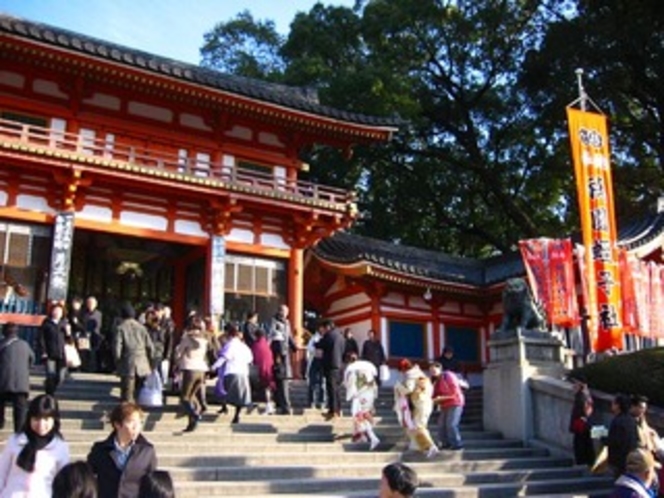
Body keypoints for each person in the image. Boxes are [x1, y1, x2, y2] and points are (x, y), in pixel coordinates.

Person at [0, 394, 70, 497]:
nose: (41, 425)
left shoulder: (60, 447)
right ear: (29, 418)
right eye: (37, 419)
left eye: (46, 419)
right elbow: (2, 472)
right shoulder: (15, 441)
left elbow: (63, 482)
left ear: (54, 420)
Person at [87, 402, 157, 498]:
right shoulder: (100, 450)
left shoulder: (147, 451)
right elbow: (87, 478)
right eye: (131, 422)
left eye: (139, 422)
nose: (136, 427)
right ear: (117, 424)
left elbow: (152, 485)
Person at [394, 359, 438, 457]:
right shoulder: (421, 374)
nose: (402, 373)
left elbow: (408, 389)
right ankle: (416, 446)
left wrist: (398, 386)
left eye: (401, 370)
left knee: (418, 426)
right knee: (416, 426)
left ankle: (431, 446)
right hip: (425, 402)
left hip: (420, 403)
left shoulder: (411, 376)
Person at [113, 302, 155, 403]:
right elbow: (150, 347)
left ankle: (127, 412)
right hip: (142, 362)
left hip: (128, 362)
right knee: (138, 390)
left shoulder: (121, 328)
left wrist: (117, 361)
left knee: (127, 393)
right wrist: (150, 362)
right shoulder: (142, 328)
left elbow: (117, 347)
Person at [174, 315, 210, 432]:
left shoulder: (187, 339)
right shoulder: (204, 340)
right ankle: (191, 424)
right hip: (202, 370)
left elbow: (178, 353)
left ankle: (194, 415)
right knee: (192, 397)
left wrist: (177, 362)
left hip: (190, 369)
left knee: (185, 398)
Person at [212, 325, 253, 424]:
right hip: (243, 372)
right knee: (240, 397)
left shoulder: (230, 345)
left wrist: (214, 366)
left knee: (223, 391)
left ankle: (224, 406)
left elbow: (224, 357)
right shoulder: (244, 346)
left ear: (229, 335)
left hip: (231, 371)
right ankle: (237, 415)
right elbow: (250, 359)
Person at [0, 323, 34, 433]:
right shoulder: (25, 345)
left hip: (2, 381)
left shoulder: (1, 344)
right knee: (20, 410)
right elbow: (31, 360)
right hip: (21, 383)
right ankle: (19, 432)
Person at [344, 353, 380, 450]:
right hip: (369, 394)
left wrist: (350, 394)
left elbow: (350, 384)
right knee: (363, 415)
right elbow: (374, 382)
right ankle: (364, 436)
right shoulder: (368, 367)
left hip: (359, 395)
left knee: (358, 416)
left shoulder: (352, 369)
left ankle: (371, 437)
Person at [268, 304, 297, 414]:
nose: (284, 314)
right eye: (283, 311)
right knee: (280, 377)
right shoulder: (274, 322)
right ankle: (283, 404)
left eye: (286, 312)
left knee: (282, 378)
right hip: (279, 352)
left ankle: (281, 403)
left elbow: (289, 336)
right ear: (279, 311)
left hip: (284, 351)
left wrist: (294, 346)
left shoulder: (287, 322)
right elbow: (272, 336)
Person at [430, 362, 465, 450]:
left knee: (451, 424)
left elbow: (454, 393)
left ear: (440, 369)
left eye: (434, 370)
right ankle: (445, 443)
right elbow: (434, 394)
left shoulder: (448, 375)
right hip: (444, 404)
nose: (433, 372)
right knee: (441, 425)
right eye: (431, 370)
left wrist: (441, 398)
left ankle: (457, 444)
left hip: (455, 402)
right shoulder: (436, 380)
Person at [316, 319, 345, 421]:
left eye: (324, 328)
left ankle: (333, 411)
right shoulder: (341, 336)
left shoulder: (329, 336)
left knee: (331, 389)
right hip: (339, 365)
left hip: (330, 365)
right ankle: (338, 409)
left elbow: (319, 344)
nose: (323, 330)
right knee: (336, 389)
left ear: (328, 327)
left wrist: (319, 339)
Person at [39, 302, 70, 396]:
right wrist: (43, 351)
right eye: (55, 310)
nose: (57, 313)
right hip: (49, 353)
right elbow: (41, 338)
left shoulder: (64, 323)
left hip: (62, 353)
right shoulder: (46, 322)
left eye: (59, 311)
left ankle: (50, 386)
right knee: (50, 375)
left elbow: (69, 340)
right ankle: (49, 394)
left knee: (61, 376)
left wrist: (68, 333)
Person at [607, 393, 639, 478]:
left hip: (619, 459)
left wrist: (603, 438)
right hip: (631, 458)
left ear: (618, 405)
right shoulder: (632, 420)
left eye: (614, 403)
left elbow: (615, 441)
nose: (612, 405)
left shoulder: (618, 421)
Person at [568, 375, 595, 466]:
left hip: (581, 425)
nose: (573, 386)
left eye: (575, 383)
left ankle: (582, 463)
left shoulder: (581, 396)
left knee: (580, 445)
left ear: (580, 385)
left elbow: (584, 412)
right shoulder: (586, 395)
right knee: (586, 444)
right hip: (584, 425)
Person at [250, 328, 275, 415]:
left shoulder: (256, 345)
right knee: (268, 388)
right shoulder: (266, 344)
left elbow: (253, 358)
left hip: (260, 369)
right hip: (269, 369)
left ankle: (268, 406)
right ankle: (270, 406)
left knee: (264, 388)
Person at [306, 327, 325, 410]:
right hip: (314, 360)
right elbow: (309, 347)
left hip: (323, 361)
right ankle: (312, 401)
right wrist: (315, 351)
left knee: (322, 383)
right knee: (312, 382)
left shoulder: (326, 338)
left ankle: (322, 401)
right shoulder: (314, 338)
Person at [82, 296, 103, 372]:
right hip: (85, 335)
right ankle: (85, 367)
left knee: (94, 352)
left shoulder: (99, 314)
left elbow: (100, 325)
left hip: (96, 335)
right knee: (85, 352)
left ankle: (94, 368)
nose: (90, 305)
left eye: (92, 303)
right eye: (89, 303)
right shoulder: (84, 313)